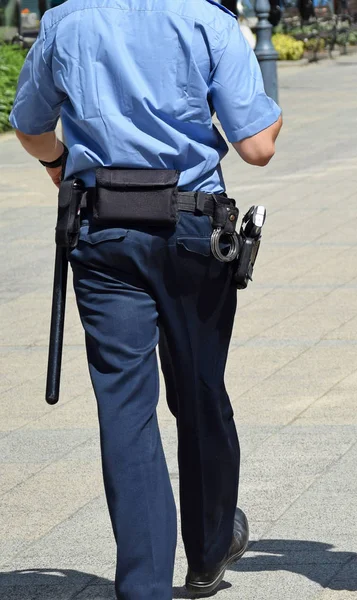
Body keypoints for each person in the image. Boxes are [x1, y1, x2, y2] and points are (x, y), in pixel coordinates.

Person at [10, 0, 282, 598]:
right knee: (200, 391)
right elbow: (258, 147)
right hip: (193, 232)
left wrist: (60, 163)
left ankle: (143, 587)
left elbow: (30, 128)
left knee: (125, 413)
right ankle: (209, 550)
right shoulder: (206, 20)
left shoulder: (67, 19)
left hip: (102, 231)